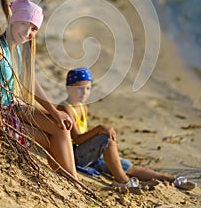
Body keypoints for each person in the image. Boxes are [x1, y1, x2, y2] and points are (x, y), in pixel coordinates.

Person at [0, 0, 77, 180]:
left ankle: (73, 181)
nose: (27, 32)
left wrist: (55, 112)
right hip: (1, 113)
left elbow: (30, 82)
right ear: (13, 20)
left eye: (33, 29)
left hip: (14, 107)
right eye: (24, 24)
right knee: (50, 139)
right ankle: (73, 182)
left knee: (61, 127)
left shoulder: (18, 49)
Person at [58, 67, 196, 190]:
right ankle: (122, 181)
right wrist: (99, 129)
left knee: (129, 167)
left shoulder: (83, 107)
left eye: (88, 88)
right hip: (74, 155)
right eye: (79, 88)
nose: (84, 93)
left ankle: (173, 180)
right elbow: (77, 138)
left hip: (90, 155)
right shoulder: (65, 108)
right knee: (106, 139)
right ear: (68, 88)